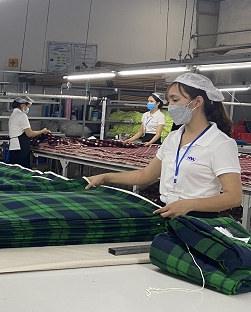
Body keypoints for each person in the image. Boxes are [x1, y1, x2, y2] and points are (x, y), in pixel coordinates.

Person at [85, 73, 241, 219]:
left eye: (175, 100)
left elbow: (233, 197)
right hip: (166, 212)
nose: (171, 106)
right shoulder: (173, 138)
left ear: (198, 102)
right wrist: (105, 177)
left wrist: (188, 205)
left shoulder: (220, 143)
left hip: (198, 219)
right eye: (169, 101)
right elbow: (145, 175)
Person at [8, 95, 51, 168]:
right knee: (22, 170)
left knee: (14, 170)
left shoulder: (13, 115)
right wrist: (42, 131)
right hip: (20, 147)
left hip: (14, 147)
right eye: (27, 107)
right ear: (22, 105)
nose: (27, 109)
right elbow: (29, 134)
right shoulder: (22, 115)